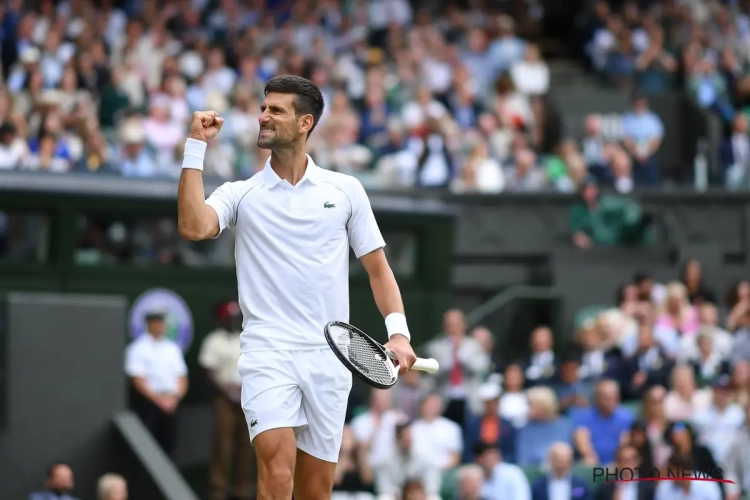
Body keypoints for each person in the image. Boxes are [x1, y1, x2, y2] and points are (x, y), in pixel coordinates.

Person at [176, 75, 417, 499]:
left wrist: (398, 331)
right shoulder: (241, 193)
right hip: (267, 352)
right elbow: (194, 226)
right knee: (277, 472)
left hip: (330, 360)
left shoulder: (345, 191)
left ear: (305, 123)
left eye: (276, 110)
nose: (263, 116)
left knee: (315, 490)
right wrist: (196, 146)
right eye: (264, 108)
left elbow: (379, 270)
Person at [198, 300, 255, 500]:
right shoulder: (214, 341)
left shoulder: (246, 338)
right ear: (221, 320)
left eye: (235, 318)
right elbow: (208, 371)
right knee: (222, 445)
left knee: (246, 445)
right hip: (224, 398)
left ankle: (243, 490)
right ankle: (218, 491)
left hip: (247, 397)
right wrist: (227, 392)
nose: (233, 321)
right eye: (229, 318)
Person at [124, 310, 188, 456]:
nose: (160, 326)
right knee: (149, 446)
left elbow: (182, 377)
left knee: (170, 445)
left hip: (172, 404)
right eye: (156, 323)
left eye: (162, 323)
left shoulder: (172, 348)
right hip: (149, 405)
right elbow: (137, 380)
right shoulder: (137, 348)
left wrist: (175, 398)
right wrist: (159, 400)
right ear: (149, 324)